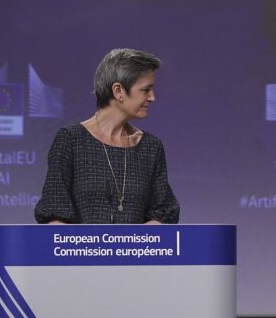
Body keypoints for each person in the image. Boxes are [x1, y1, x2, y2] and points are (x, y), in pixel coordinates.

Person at [35, 48, 179, 224]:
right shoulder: (70, 140)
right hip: (81, 251)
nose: (152, 97)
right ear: (118, 91)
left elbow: (162, 210)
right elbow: (54, 214)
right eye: (146, 90)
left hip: (137, 251)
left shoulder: (150, 147)